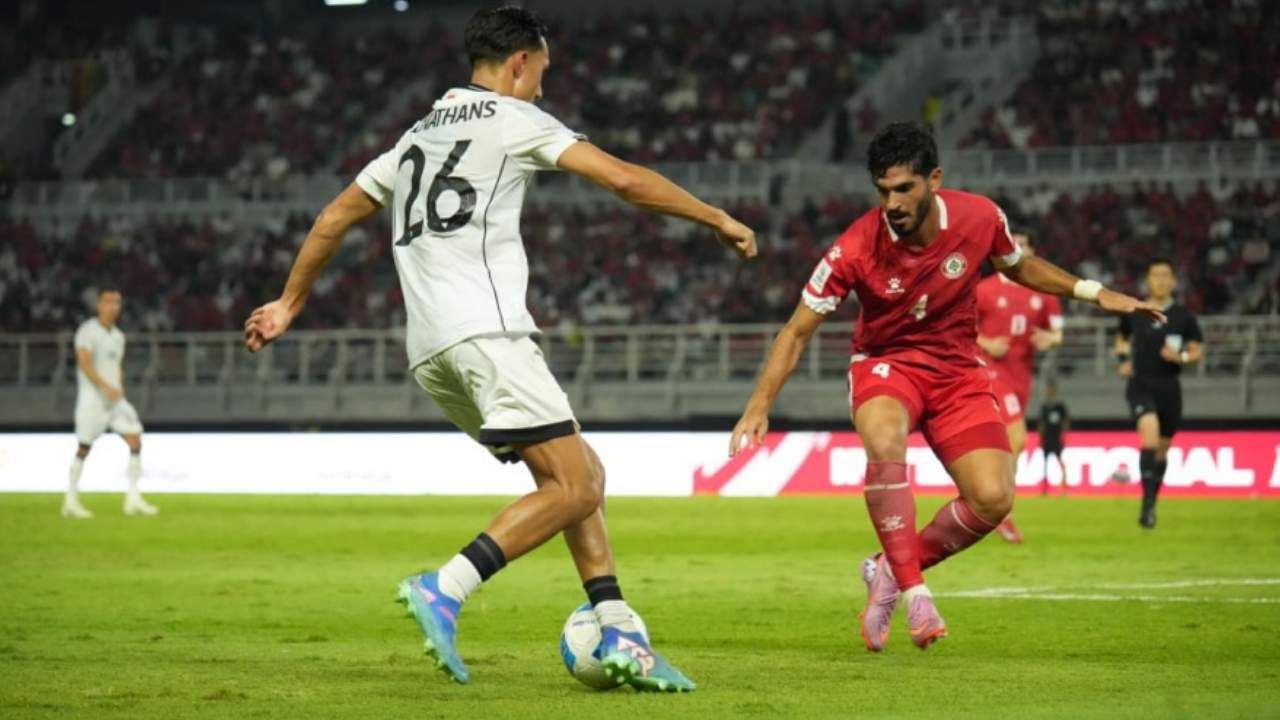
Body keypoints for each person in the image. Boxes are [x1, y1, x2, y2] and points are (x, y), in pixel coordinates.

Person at [243, 6, 756, 691]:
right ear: (519, 62)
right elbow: (625, 180)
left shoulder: (414, 137)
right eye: (541, 70)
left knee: (582, 478)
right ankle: (444, 587)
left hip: (430, 351)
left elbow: (334, 216)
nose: (543, 87)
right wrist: (716, 216)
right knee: (573, 484)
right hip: (486, 332)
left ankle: (616, 623)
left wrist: (288, 303)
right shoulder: (514, 120)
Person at [729, 122, 1163, 652]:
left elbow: (1019, 266)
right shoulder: (853, 249)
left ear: (934, 179)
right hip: (886, 366)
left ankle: (887, 567)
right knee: (885, 441)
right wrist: (758, 406)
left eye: (905, 188)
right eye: (882, 191)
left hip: (958, 371)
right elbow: (796, 331)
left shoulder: (980, 217)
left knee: (993, 498)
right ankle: (914, 592)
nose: (892, 202)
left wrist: (1094, 293)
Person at [974, 229, 1064, 542]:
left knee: (1002, 445)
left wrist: (1048, 340)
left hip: (1022, 375)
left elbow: (1058, 334)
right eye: (1014, 244)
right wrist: (986, 342)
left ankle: (989, 501)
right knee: (1018, 438)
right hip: (990, 371)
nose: (1019, 249)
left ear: (1032, 251)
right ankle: (1002, 509)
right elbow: (959, 330)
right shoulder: (983, 290)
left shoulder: (1044, 292)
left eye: (1024, 245)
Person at [1116, 258, 1202, 528]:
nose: (1161, 280)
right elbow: (1121, 338)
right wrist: (1123, 360)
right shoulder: (1135, 311)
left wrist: (1182, 356)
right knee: (1150, 438)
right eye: (1156, 275)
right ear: (1148, 280)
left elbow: (1197, 351)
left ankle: (1151, 502)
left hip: (1169, 388)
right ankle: (1146, 507)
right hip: (1141, 384)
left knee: (1162, 452)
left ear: (1173, 281)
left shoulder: (1184, 317)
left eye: (1166, 275)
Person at [63, 286, 158, 519]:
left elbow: (116, 369)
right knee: (84, 447)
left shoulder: (118, 336)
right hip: (92, 400)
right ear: (99, 305)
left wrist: (119, 390)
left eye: (117, 303)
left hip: (114, 401)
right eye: (108, 302)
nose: (113, 307)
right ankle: (70, 500)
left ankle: (132, 499)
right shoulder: (88, 331)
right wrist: (105, 386)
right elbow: (84, 363)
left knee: (135, 439)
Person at [1038, 381, 1069, 495]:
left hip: (1056, 436)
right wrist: (1040, 438)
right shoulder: (1044, 406)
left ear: (1054, 391)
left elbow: (1065, 420)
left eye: (1050, 390)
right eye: (1047, 390)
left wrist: (1063, 434)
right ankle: (1045, 489)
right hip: (1047, 437)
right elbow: (1041, 423)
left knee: (1060, 461)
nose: (1049, 392)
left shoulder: (1060, 406)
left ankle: (1064, 487)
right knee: (1045, 464)